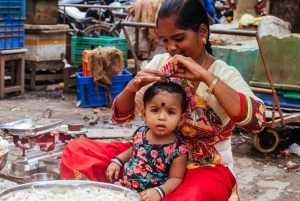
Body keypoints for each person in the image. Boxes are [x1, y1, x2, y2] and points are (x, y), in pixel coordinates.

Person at [60, 0, 266, 200]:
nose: (171, 48)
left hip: (203, 166)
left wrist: (206, 76)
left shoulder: (223, 73)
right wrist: (132, 87)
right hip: (148, 155)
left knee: (192, 196)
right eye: (165, 40)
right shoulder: (160, 64)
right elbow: (120, 116)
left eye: (179, 38)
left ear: (202, 32)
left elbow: (256, 121)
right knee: (76, 152)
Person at [105, 82, 188, 200]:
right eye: (155, 110)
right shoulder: (141, 133)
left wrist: (159, 192)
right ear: (144, 114)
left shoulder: (178, 149)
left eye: (170, 112)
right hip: (124, 190)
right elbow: (134, 149)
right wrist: (117, 161)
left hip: (149, 196)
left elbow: (176, 178)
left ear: (181, 119)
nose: (162, 117)